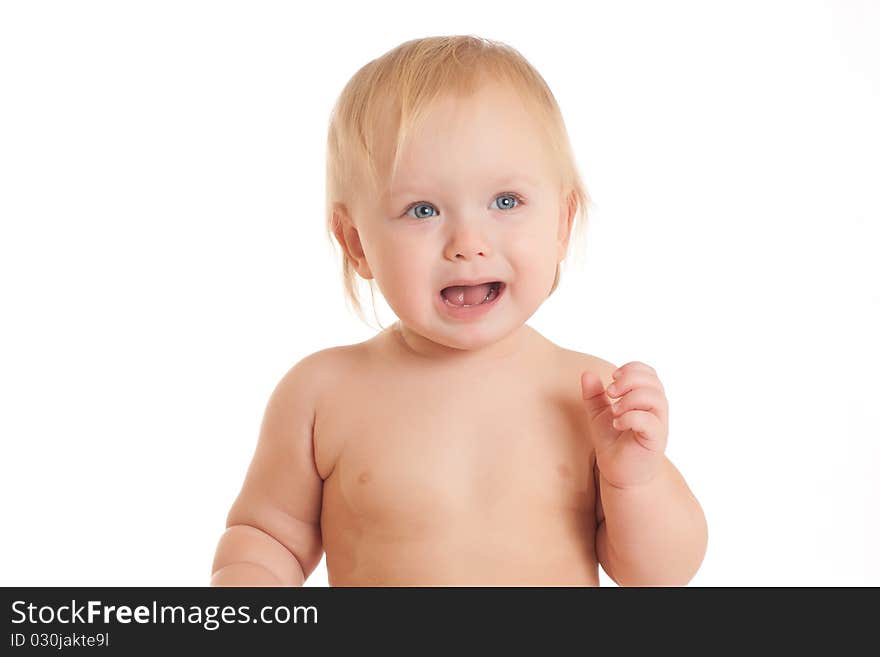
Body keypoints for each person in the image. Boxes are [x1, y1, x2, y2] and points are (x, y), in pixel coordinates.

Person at [210, 35, 707, 586]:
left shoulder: (590, 396)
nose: (468, 243)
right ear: (356, 242)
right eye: (422, 210)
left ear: (562, 224)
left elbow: (660, 576)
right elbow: (267, 535)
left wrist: (634, 481)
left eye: (505, 202)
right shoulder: (321, 394)